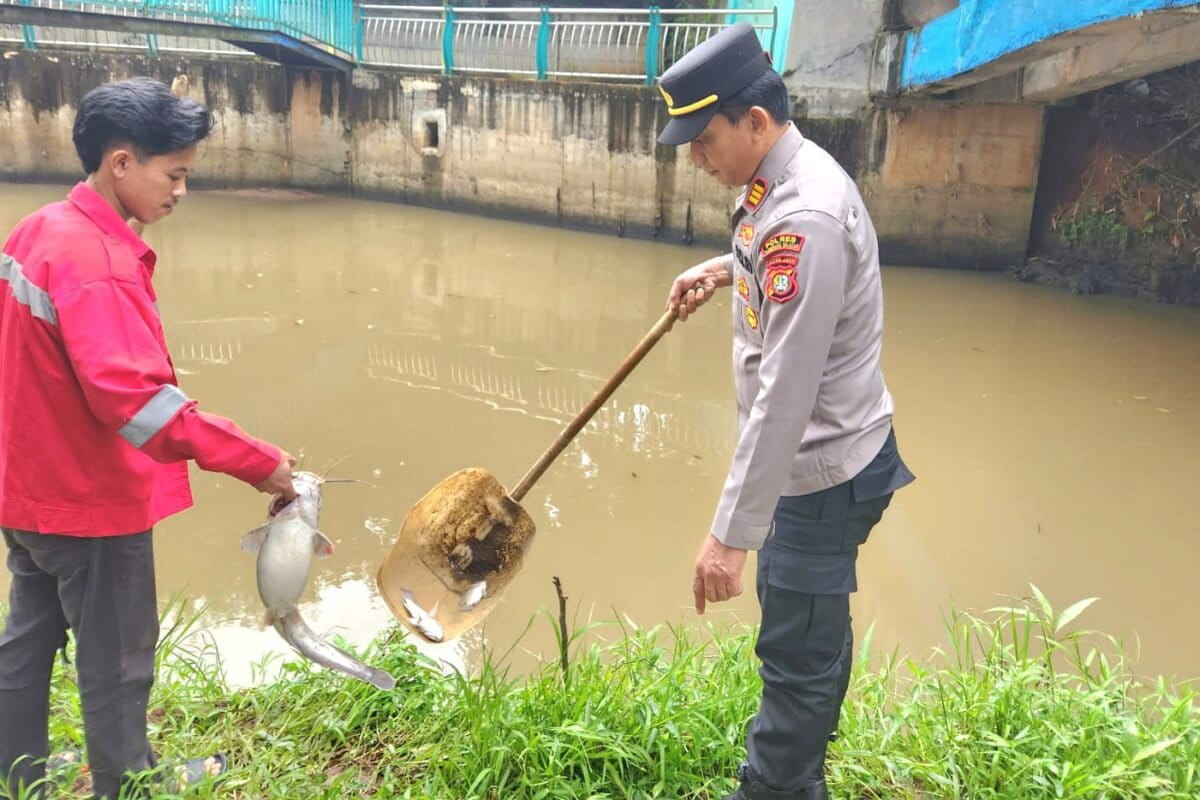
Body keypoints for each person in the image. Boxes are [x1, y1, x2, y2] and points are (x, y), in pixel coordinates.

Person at [0, 77, 296, 800]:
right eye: (175, 174)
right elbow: (137, 402)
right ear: (122, 162)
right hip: (88, 499)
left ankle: (18, 775)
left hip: (26, 486)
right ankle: (127, 784)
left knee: (28, 637)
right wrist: (259, 462)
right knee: (118, 659)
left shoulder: (39, 229)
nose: (181, 191)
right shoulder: (97, 264)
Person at [657, 24, 916, 800]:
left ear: (756, 121)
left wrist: (729, 537)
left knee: (794, 657)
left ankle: (773, 786)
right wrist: (723, 268)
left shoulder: (805, 217)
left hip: (819, 474)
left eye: (704, 141)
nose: (697, 160)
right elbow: (775, 265)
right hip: (832, 454)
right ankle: (802, 773)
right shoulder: (783, 182)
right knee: (813, 634)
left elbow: (786, 397)